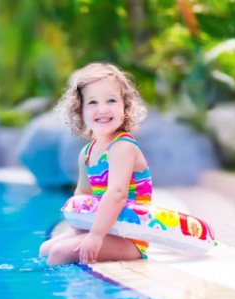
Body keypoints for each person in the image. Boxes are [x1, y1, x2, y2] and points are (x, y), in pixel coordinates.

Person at [39, 62, 151, 266]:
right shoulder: (87, 153)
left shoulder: (122, 147)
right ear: (79, 110)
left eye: (111, 100)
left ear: (125, 107)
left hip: (130, 237)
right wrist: (80, 227)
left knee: (59, 254)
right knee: (45, 250)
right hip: (106, 229)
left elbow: (117, 194)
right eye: (92, 102)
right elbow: (83, 193)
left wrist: (96, 236)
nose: (103, 109)